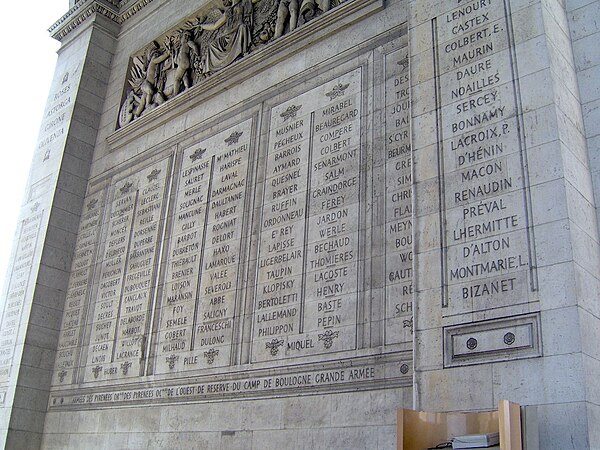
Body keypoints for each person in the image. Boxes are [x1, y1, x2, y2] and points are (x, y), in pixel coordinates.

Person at [200, 0, 259, 73]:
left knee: (242, 27)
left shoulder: (245, 2)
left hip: (238, 30)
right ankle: (215, 67)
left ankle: (239, 53)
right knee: (212, 45)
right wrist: (201, 26)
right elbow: (214, 25)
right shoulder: (228, 11)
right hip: (228, 35)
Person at [134, 43, 170, 116]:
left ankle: (136, 114)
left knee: (142, 101)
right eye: (155, 54)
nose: (156, 55)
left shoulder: (156, 66)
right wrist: (167, 53)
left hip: (147, 85)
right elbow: (160, 59)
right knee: (150, 92)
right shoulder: (153, 61)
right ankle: (148, 105)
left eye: (157, 54)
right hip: (146, 84)